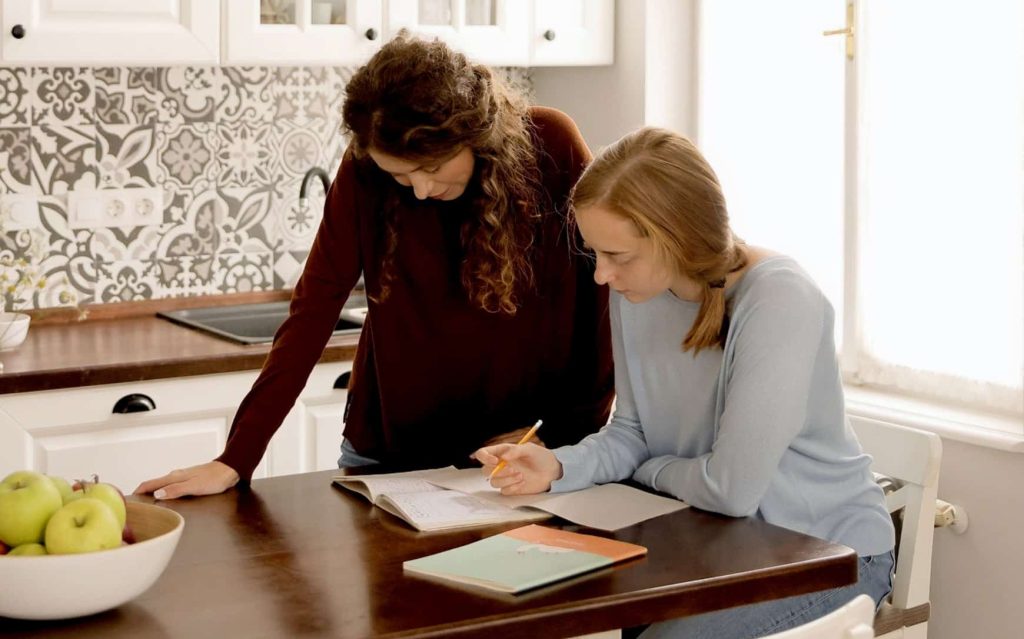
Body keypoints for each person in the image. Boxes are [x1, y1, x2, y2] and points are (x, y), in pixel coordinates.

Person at [135, 32, 614, 500]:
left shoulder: (551, 146)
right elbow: (312, 310)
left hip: (521, 454)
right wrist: (235, 458)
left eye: (432, 167)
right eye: (400, 175)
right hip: (390, 453)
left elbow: (603, 304)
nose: (420, 190)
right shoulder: (365, 172)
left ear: (474, 135)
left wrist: (564, 433)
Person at [473, 127, 895, 638]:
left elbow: (730, 490)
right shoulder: (636, 293)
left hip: (826, 555)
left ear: (676, 237)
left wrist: (650, 469)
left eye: (618, 257)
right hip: (715, 543)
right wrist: (558, 466)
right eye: (596, 254)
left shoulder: (780, 300)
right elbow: (631, 429)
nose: (600, 275)